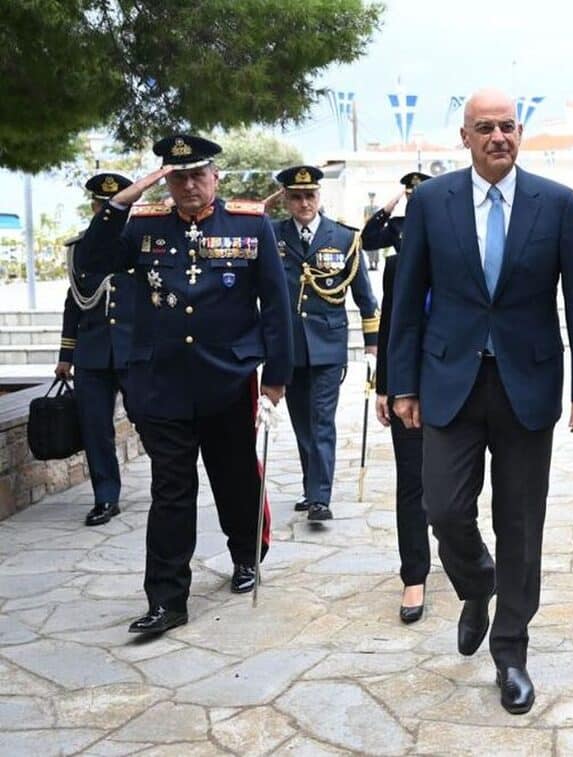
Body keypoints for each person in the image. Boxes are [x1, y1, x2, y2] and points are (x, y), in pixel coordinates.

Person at [389, 89, 573, 715]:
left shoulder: (556, 203)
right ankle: (477, 581)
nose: (498, 137)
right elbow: (408, 299)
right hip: (449, 381)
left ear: (520, 132)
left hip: (526, 385)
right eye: (484, 128)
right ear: (465, 137)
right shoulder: (431, 202)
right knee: (442, 508)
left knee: (520, 522)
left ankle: (510, 650)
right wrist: (400, 383)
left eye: (507, 126)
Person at [78, 134, 292, 635]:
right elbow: (93, 260)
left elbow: (275, 305)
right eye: (178, 178)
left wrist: (276, 379)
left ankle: (246, 554)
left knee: (234, 478)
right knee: (171, 489)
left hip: (228, 379)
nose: (190, 186)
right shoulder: (144, 225)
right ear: (165, 182)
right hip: (163, 383)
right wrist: (120, 203)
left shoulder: (248, 223)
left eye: (198, 175)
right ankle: (167, 599)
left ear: (215, 176)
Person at [272, 165, 380, 522]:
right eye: (296, 197)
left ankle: (320, 497)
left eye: (310, 196)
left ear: (319, 196)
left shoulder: (344, 238)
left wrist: (372, 346)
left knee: (321, 421)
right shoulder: (272, 235)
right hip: (290, 346)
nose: (304, 203)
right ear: (285, 199)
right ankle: (311, 487)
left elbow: (365, 298)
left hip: (328, 345)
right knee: (302, 422)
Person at [365, 169, 432, 624]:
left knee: (457, 485)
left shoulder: (465, 251)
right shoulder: (397, 260)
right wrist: (385, 387)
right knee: (411, 480)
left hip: (461, 383)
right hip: (409, 385)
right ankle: (415, 574)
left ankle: (461, 550)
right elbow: (392, 326)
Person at [57, 172, 136, 527]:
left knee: (152, 420)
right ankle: (106, 496)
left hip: (135, 350)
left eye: (114, 204)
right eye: (101, 204)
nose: (106, 210)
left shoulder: (141, 243)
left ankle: (169, 487)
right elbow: (74, 302)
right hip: (92, 352)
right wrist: (65, 355)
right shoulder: (80, 249)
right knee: (95, 428)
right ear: (93, 206)